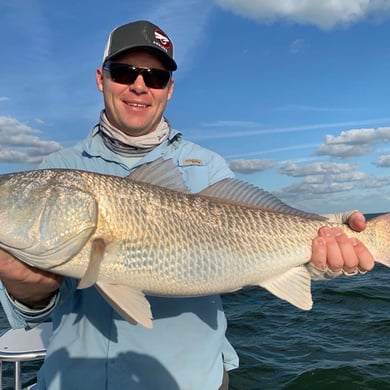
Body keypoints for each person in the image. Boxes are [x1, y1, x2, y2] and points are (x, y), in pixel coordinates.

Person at [0, 20, 374, 390]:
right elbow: (32, 311)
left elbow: (262, 251)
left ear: (170, 89)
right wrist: (25, 288)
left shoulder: (207, 167)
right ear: (101, 78)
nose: (139, 85)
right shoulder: (57, 168)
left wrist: (322, 258)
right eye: (124, 72)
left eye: (155, 77)